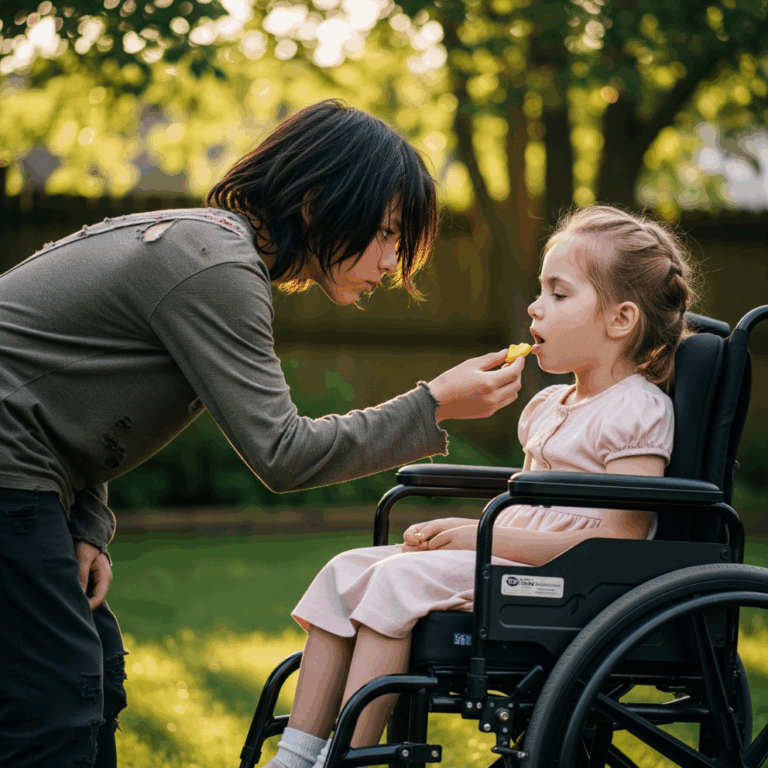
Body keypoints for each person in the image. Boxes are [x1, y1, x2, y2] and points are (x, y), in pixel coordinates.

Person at [0, 99, 527, 766]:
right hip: (10, 476)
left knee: (91, 674)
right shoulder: (215, 266)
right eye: (387, 233)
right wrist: (432, 406)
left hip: (29, 475)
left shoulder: (205, 245)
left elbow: (62, 394)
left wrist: (83, 525)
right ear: (316, 199)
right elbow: (282, 454)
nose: (392, 263)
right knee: (53, 701)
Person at [264, 204, 700, 768]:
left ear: (620, 321)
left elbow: (618, 544)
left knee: (397, 584)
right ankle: (295, 755)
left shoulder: (638, 410)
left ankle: (349, 758)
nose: (535, 307)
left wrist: (480, 537)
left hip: (571, 587)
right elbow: (529, 508)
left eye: (558, 294)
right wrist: (468, 532)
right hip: (518, 567)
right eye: (541, 291)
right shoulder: (549, 404)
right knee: (344, 569)